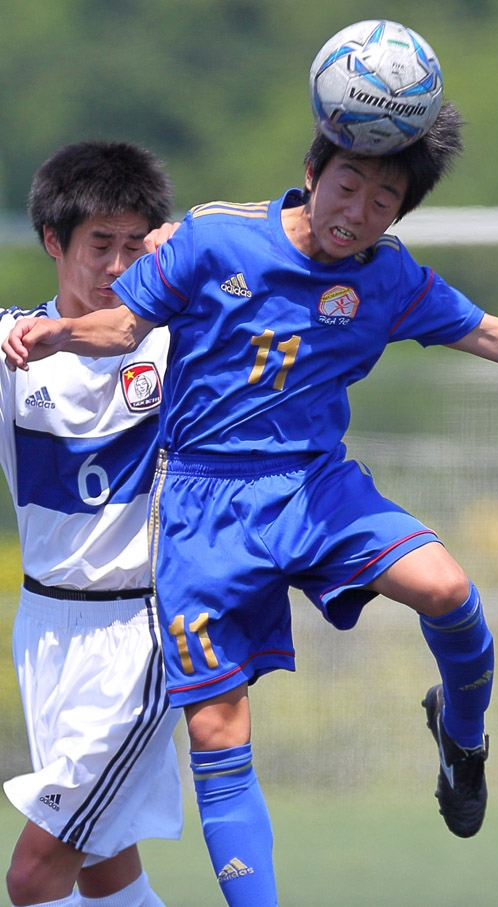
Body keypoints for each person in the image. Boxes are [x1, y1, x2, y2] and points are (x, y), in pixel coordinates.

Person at [3, 107, 498, 907]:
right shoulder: (215, 240)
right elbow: (119, 321)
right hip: (201, 514)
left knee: (448, 589)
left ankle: (462, 735)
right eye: (349, 185)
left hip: (314, 487)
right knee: (185, 773)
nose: (359, 211)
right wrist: (53, 335)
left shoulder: (388, 278)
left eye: (385, 200)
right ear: (313, 173)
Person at [0, 141, 183, 907]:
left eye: (133, 244)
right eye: (98, 244)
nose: (116, 265)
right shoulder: (12, 347)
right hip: (43, 627)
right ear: (53, 241)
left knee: (33, 878)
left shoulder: (177, 343)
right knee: (108, 871)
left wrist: (187, 239)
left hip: (137, 632)